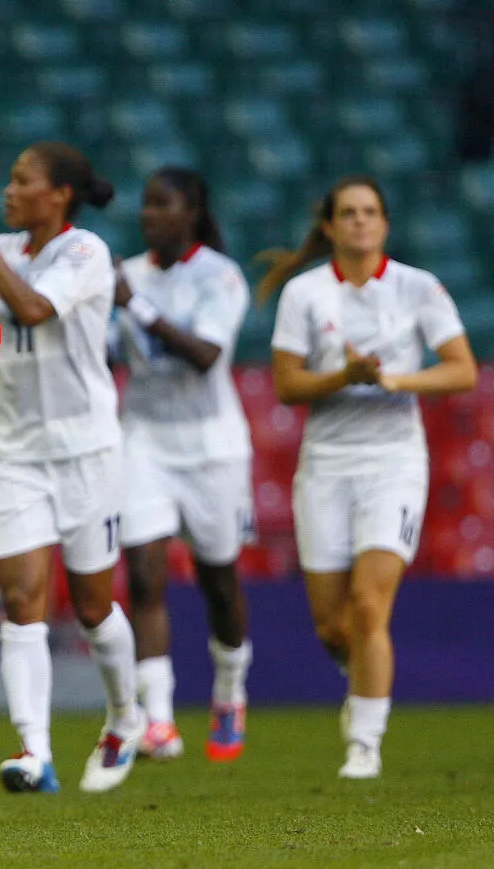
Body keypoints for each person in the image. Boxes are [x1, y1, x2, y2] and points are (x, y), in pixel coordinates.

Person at [0, 141, 142, 794]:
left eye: (23, 182)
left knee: (92, 604)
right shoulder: (1, 250)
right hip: (17, 450)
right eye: (10, 181)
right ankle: (34, 750)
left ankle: (125, 718)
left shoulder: (86, 253)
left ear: (60, 196)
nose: (10, 191)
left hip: (87, 451)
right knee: (21, 599)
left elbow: (33, 309)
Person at [260, 175, 476, 779]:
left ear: (384, 223)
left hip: (393, 463)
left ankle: (365, 744)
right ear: (329, 227)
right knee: (333, 626)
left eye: (370, 212)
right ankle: (359, 682)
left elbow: (460, 370)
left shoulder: (416, 287)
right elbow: (286, 384)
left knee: (368, 603)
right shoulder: (304, 293)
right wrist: (345, 376)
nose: (360, 222)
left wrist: (398, 380)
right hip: (325, 465)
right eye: (348, 213)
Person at [113, 167, 255, 764]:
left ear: (191, 211)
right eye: (145, 204)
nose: (149, 215)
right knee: (145, 576)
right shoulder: (125, 273)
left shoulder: (220, 277)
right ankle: (159, 720)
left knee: (218, 579)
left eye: (162, 205)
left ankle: (229, 689)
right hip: (142, 439)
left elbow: (205, 356)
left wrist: (137, 310)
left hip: (212, 447)